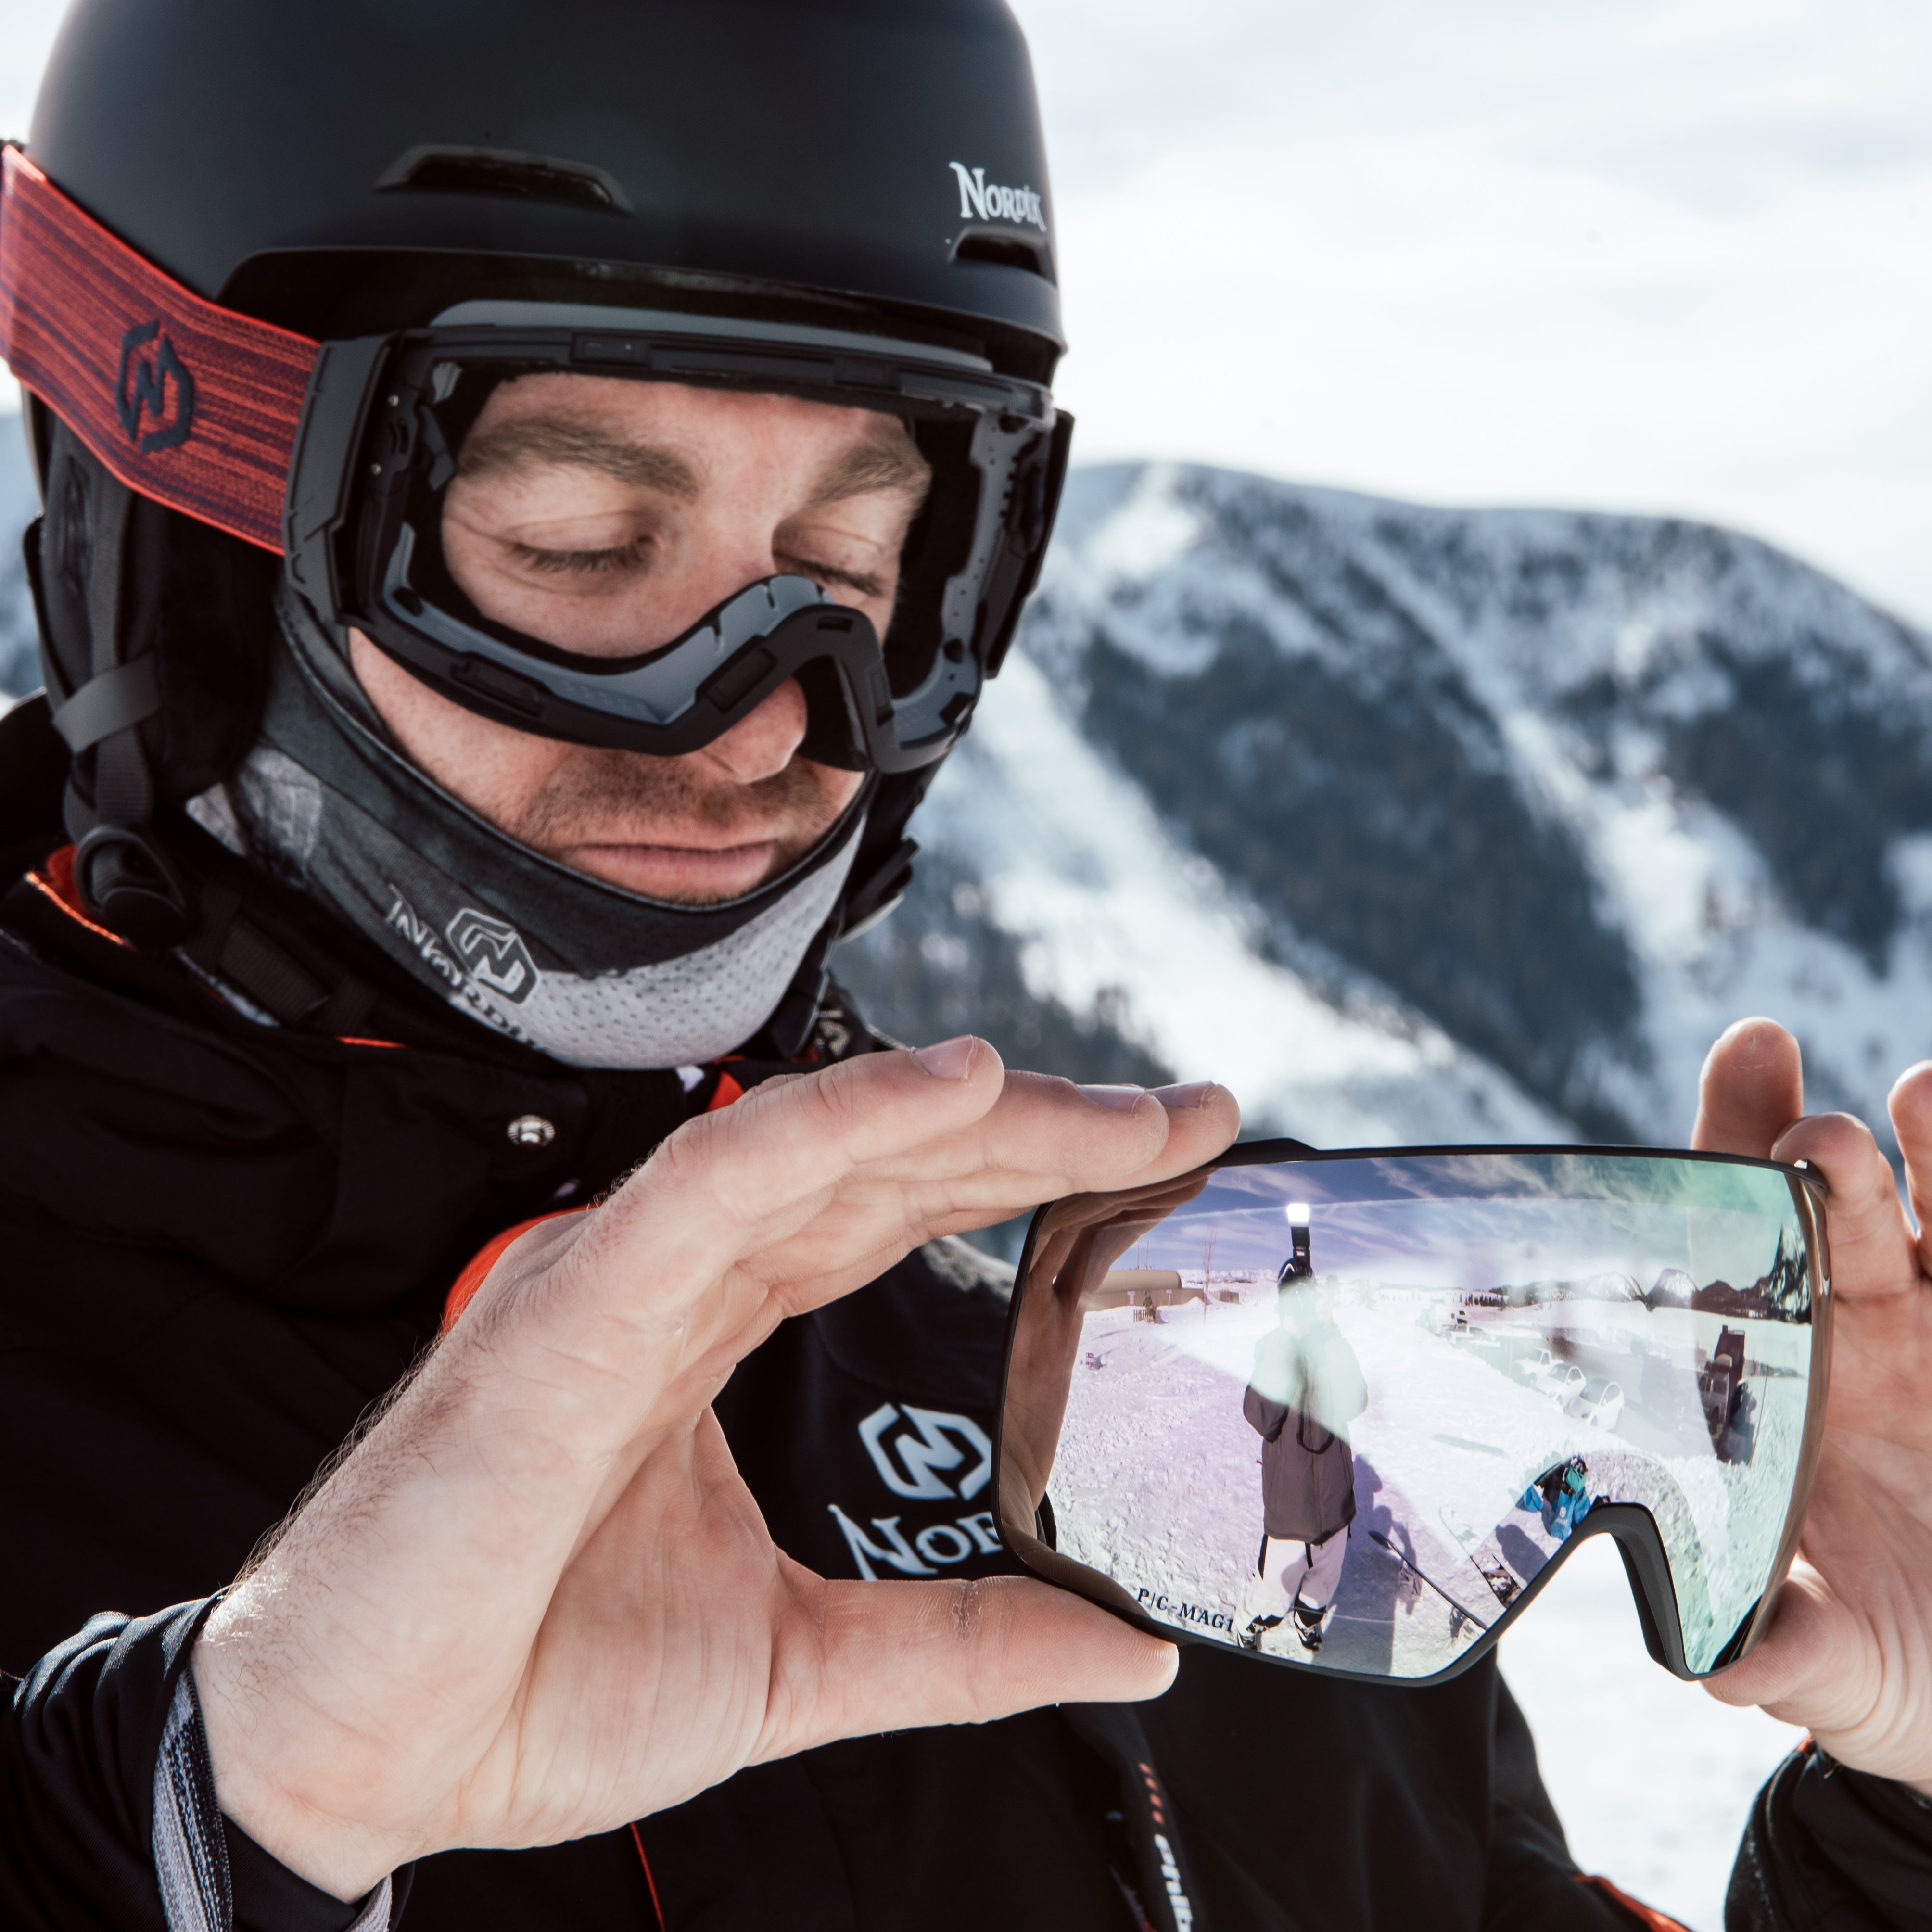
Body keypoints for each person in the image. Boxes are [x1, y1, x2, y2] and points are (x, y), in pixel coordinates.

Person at [1, 5, 1929, 1930]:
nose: (757, 722)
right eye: (578, 547)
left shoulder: (1177, 1421)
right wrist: (201, 1816)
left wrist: (1907, 1817)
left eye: (854, 572)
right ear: (184, 522)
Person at [1238, 1241, 1369, 1656]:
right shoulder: (1274, 1350)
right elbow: (1261, 1416)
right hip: (1290, 1513)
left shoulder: (1331, 1347)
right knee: (1273, 1596)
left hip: (1335, 1506)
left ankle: (1307, 1622)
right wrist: (1288, 1341)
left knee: (1321, 1589)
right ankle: (1248, 1625)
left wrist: (1332, 1335)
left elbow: (1356, 1402)